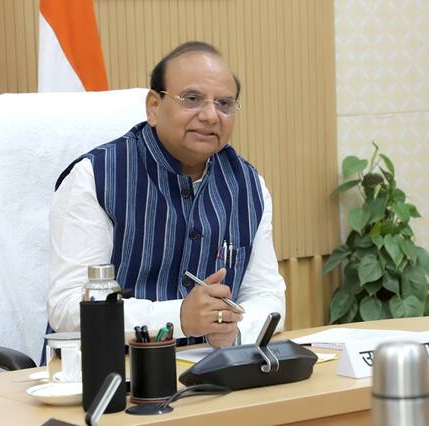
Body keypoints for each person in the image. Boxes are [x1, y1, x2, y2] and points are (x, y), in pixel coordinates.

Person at [48, 41, 285, 348]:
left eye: (224, 103)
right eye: (192, 99)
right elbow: (68, 307)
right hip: (111, 368)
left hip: (210, 368)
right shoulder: (96, 177)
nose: (211, 116)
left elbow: (267, 295)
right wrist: (179, 317)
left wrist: (235, 331)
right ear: (154, 107)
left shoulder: (249, 185)